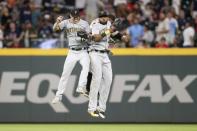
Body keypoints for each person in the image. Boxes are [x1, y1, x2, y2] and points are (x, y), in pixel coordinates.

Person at [52, 9, 90, 104]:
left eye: (77, 16)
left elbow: (89, 37)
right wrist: (57, 22)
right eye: (74, 16)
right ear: (70, 15)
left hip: (83, 50)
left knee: (86, 67)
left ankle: (81, 87)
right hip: (72, 52)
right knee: (65, 74)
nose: (76, 18)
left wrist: (84, 37)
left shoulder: (84, 23)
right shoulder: (65, 22)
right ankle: (58, 96)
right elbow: (55, 29)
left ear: (79, 16)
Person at [87, 11, 113, 119]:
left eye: (105, 16)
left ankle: (101, 108)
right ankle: (91, 108)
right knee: (97, 78)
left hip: (104, 54)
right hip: (94, 53)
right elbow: (97, 38)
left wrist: (109, 46)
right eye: (101, 17)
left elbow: (108, 38)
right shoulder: (95, 23)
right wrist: (107, 31)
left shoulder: (109, 24)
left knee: (108, 80)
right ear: (99, 17)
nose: (103, 18)